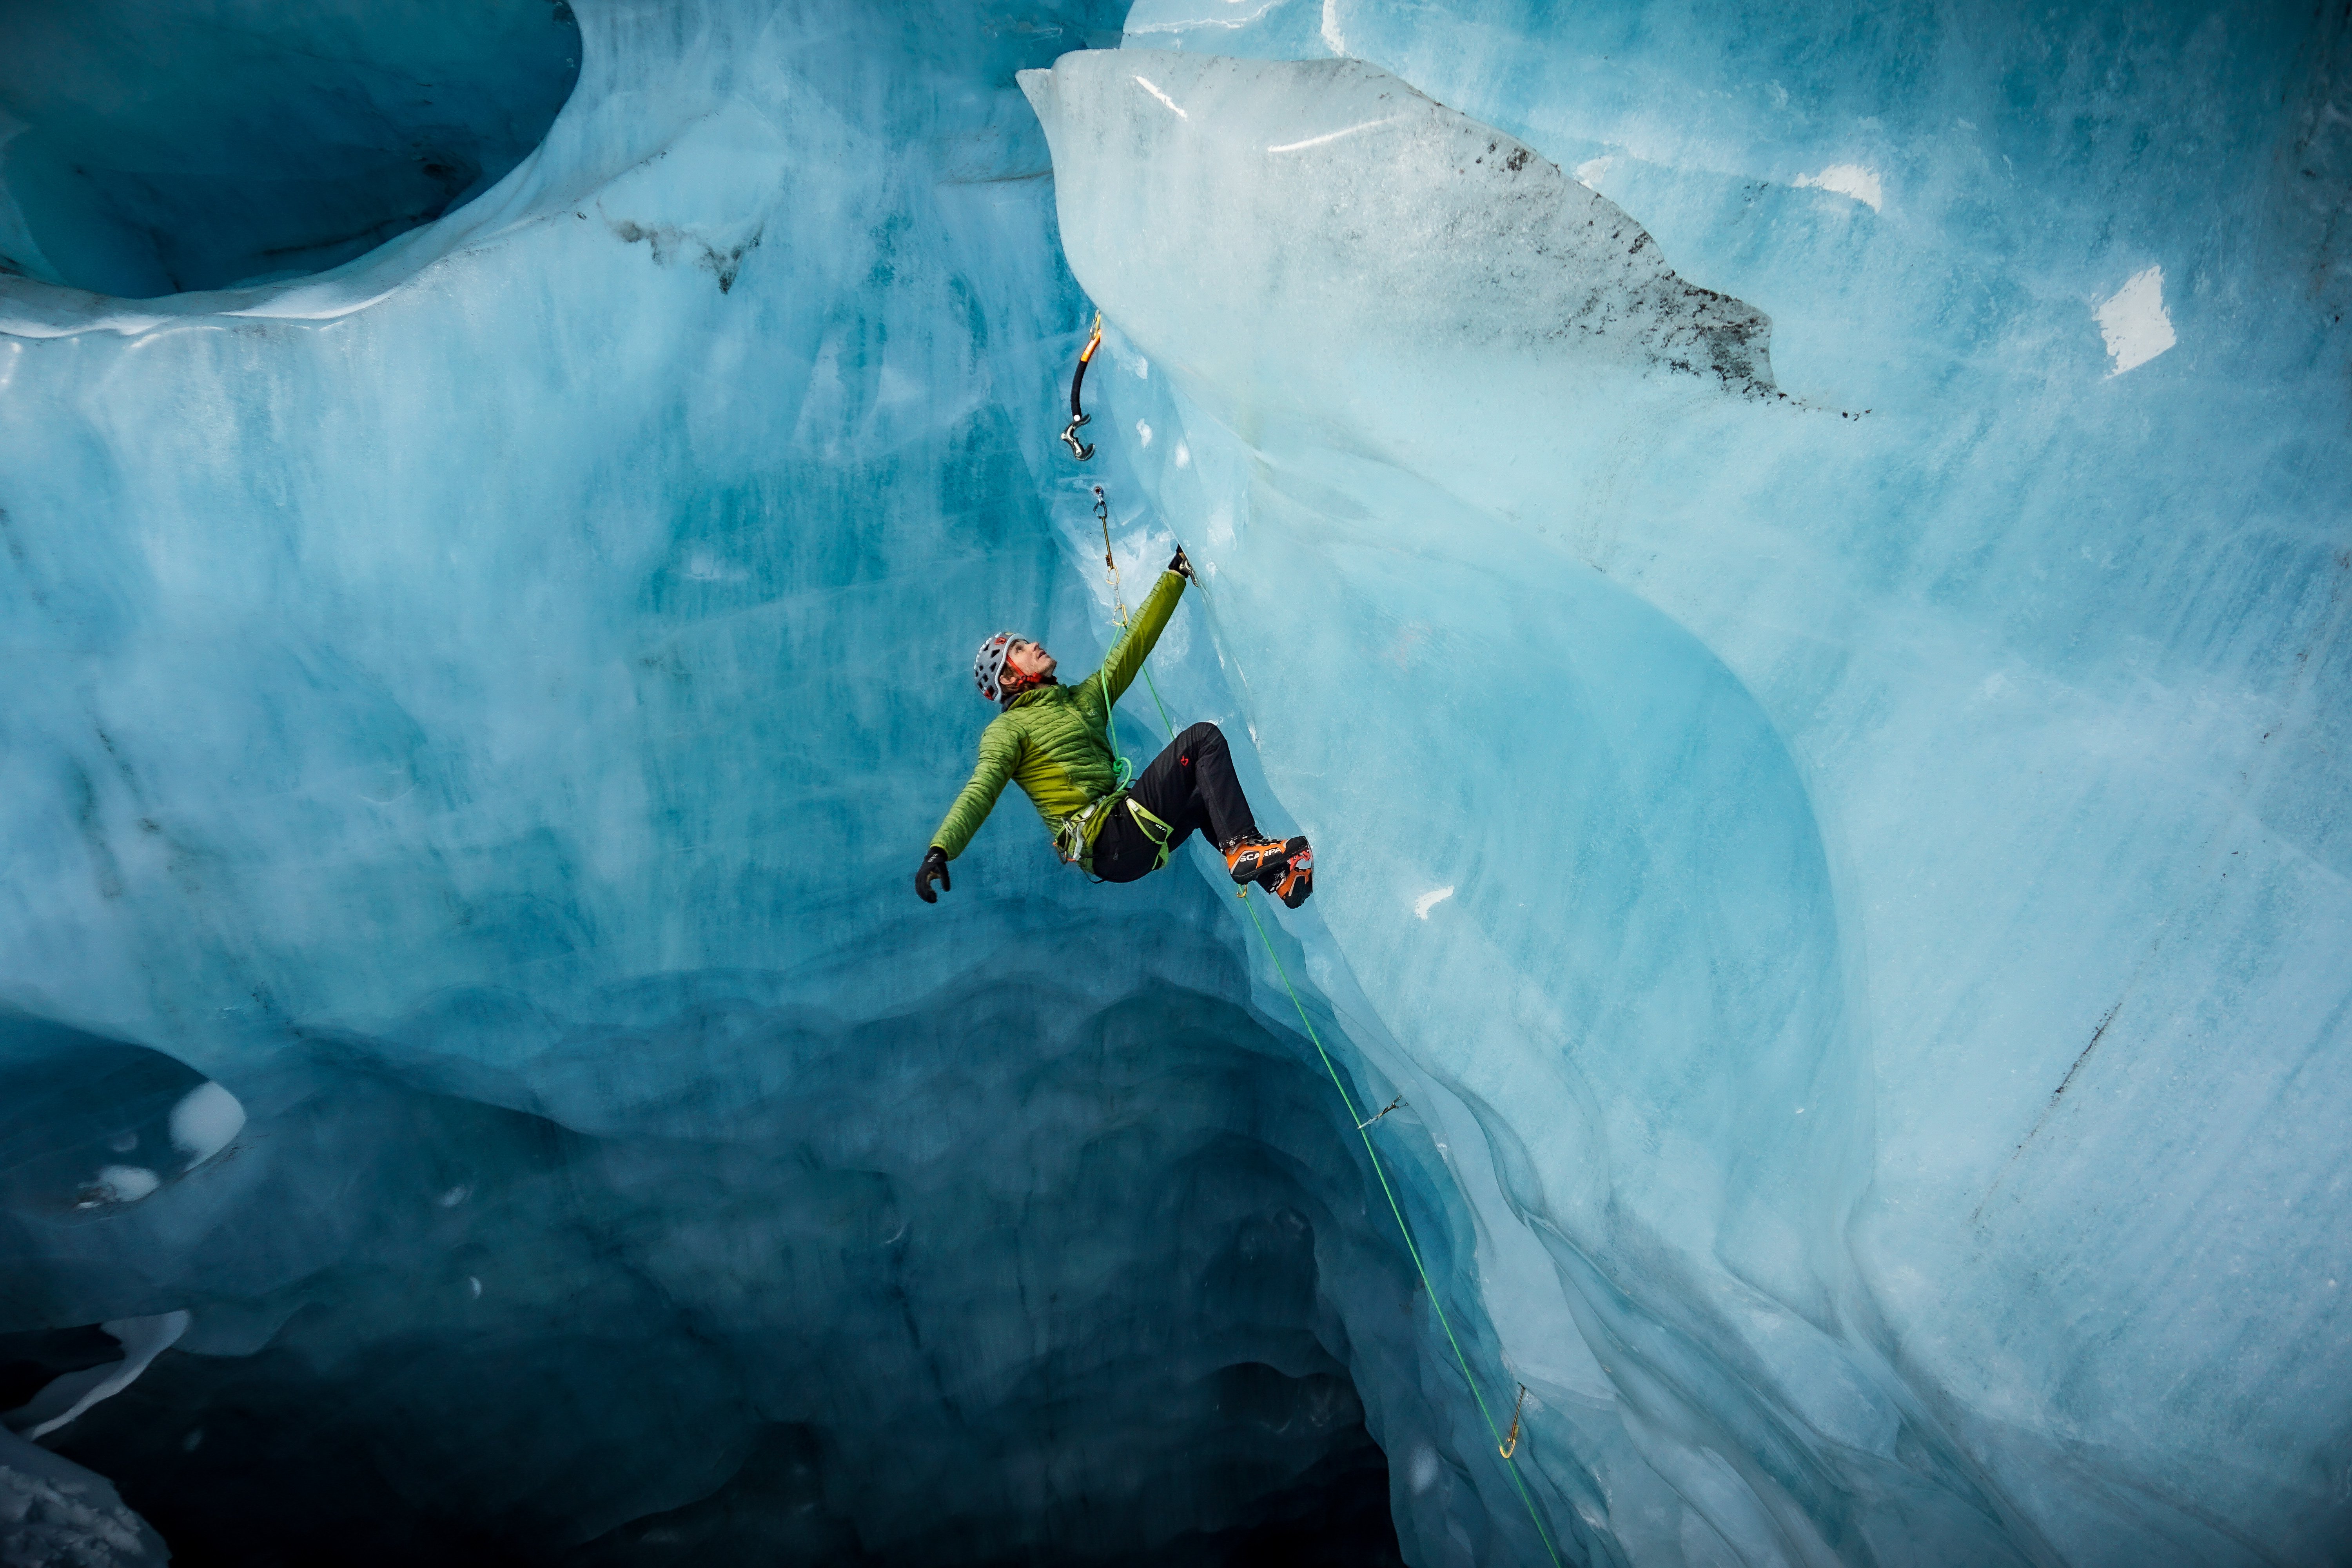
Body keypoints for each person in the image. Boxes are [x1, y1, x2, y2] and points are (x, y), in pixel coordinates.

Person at [915, 548, 1312, 907]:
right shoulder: (1007, 730)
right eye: (1019, 650)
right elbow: (981, 790)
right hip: (1110, 835)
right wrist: (941, 849)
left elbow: (1132, 647)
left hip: (1125, 847)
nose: (1034, 645)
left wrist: (1174, 576)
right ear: (1006, 679)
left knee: (1201, 793)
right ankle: (1242, 846)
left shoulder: (1079, 701)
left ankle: (1277, 877)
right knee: (1202, 740)